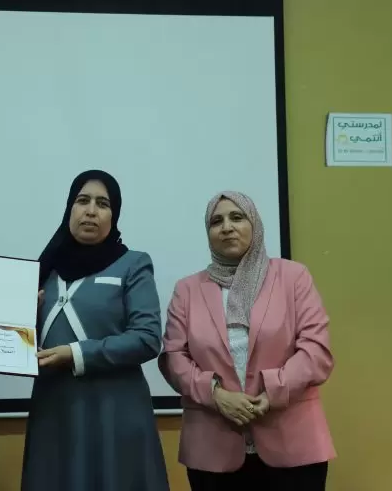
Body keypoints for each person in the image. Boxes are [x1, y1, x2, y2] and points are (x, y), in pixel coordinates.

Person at [158, 191, 335, 491]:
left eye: (237, 217)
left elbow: (315, 350)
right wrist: (216, 395)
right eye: (216, 221)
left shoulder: (293, 277)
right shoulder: (187, 290)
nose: (227, 227)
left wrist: (272, 392)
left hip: (293, 444)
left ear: (254, 223)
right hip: (212, 449)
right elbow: (174, 357)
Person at [20, 169, 170, 491]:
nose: (90, 211)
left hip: (113, 411)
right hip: (53, 410)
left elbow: (147, 338)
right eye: (82, 201)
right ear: (69, 209)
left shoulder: (132, 264)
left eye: (102, 204)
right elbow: (21, 341)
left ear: (113, 215)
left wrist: (76, 354)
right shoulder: (44, 269)